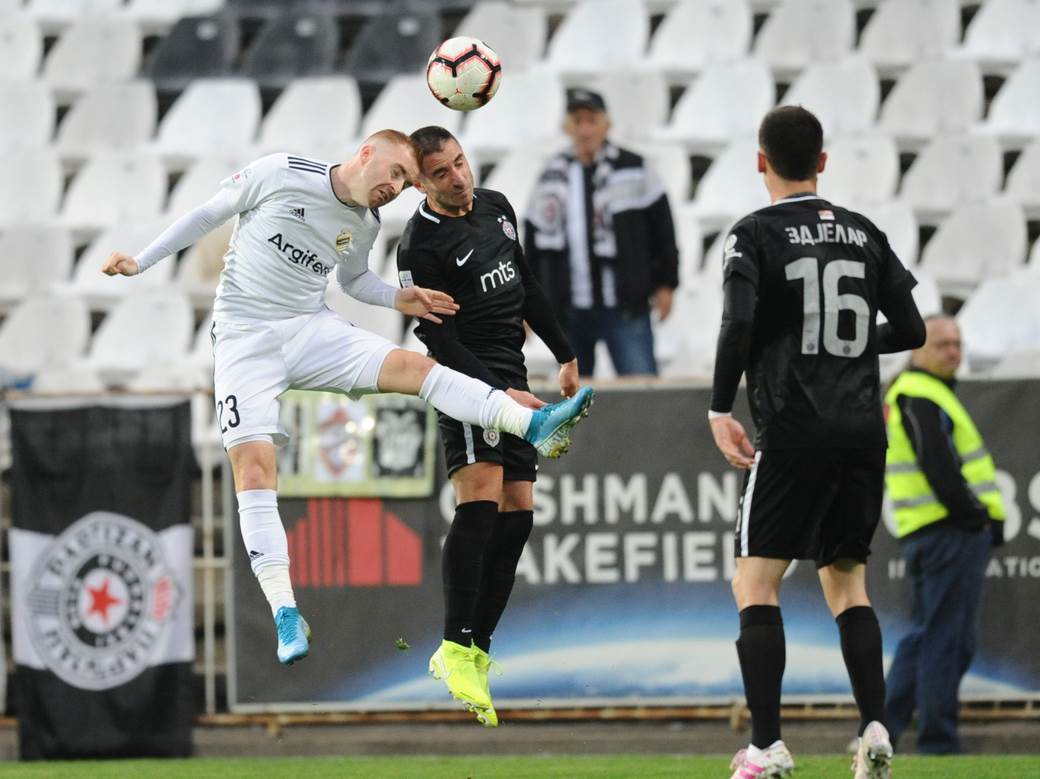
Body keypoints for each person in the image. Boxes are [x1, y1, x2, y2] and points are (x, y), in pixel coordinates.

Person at [101, 131, 594, 668]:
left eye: (405, 181)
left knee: (415, 368)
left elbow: (353, 280)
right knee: (254, 468)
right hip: (244, 337)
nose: (395, 187)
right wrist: (141, 262)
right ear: (365, 154)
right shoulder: (281, 173)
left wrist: (397, 297)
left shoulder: (365, 223)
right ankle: (285, 611)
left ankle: (532, 424)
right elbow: (208, 214)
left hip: (309, 328)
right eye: (395, 172)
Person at [707, 106, 926, 779]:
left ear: (760, 161)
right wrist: (848, 344)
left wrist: (719, 406)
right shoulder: (864, 231)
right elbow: (912, 329)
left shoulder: (753, 233)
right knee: (848, 582)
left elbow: (738, 321)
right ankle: (875, 727)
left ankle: (766, 746)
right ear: (823, 161)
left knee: (754, 580)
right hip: (861, 432)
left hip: (794, 428)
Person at [397, 126, 590, 727]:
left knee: (518, 510)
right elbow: (439, 339)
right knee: (480, 498)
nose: (459, 178)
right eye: (442, 172)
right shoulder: (419, 247)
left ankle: (476, 649)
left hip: (512, 369)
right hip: (466, 379)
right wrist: (494, 394)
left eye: (460, 162)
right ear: (420, 184)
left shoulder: (497, 208)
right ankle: (453, 645)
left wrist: (565, 352)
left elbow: (525, 283)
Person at [882, 314, 1005, 755]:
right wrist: (976, 517)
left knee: (926, 636)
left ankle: (880, 732)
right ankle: (937, 740)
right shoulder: (920, 393)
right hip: (947, 532)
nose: (954, 352)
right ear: (917, 348)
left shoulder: (919, 392)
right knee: (945, 640)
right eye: (942, 344)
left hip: (931, 531)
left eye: (958, 343)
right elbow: (940, 468)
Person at [524, 88, 679, 378]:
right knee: (573, 396)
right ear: (567, 127)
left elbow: (662, 229)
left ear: (607, 125)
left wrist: (666, 283)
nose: (585, 129)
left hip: (625, 305)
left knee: (642, 388)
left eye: (591, 120)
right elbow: (533, 242)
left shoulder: (635, 168)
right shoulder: (550, 176)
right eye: (577, 121)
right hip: (569, 309)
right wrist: (529, 303)